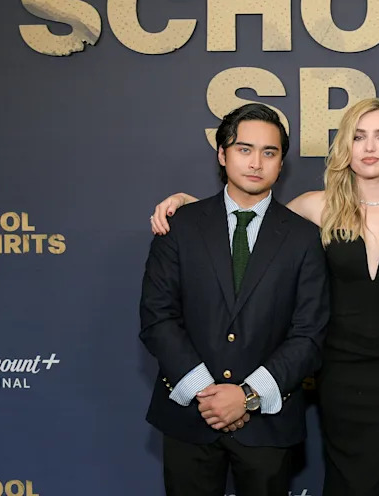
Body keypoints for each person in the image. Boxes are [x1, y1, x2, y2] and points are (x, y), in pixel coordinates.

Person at [149, 98, 379, 496]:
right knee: (346, 477)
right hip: (339, 367)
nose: (370, 147)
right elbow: (249, 227)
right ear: (344, 147)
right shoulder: (316, 208)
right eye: (358, 137)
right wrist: (188, 205)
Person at [139, 103, 330, 496]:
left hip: (267, 424)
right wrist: (207, 393)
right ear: (222, 155)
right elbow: (158, 318)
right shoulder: (180, 226)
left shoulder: (304, 237)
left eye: (269, 152)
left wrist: (245, 397)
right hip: (190, 415)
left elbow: (309, 334)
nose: (256, 162)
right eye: (244, 149)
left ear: (281, 164)